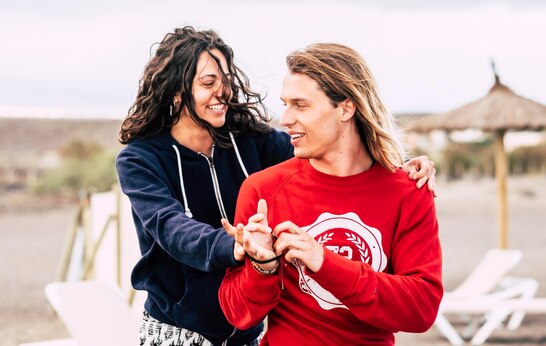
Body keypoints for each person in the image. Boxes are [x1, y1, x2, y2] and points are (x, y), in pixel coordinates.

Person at [116, 27, 436, 346]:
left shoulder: (251, 141)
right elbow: (170, 227)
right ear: (175, 90)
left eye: (226, 81)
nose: (223, 92)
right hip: (179, 329)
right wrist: (237, 246)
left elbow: (331, 150)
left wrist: (398, 164)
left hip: (248, 334)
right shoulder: (140, 159)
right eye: (208, 83)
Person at [218, 43, 443, 345]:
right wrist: (264, 266)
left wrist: (323, 260)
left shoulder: (410, 191)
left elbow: (421, 309)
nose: (284, 119)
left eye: (301, 105)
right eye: (285, 104)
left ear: (346, 108)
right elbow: (238, 313)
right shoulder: (262, 191)